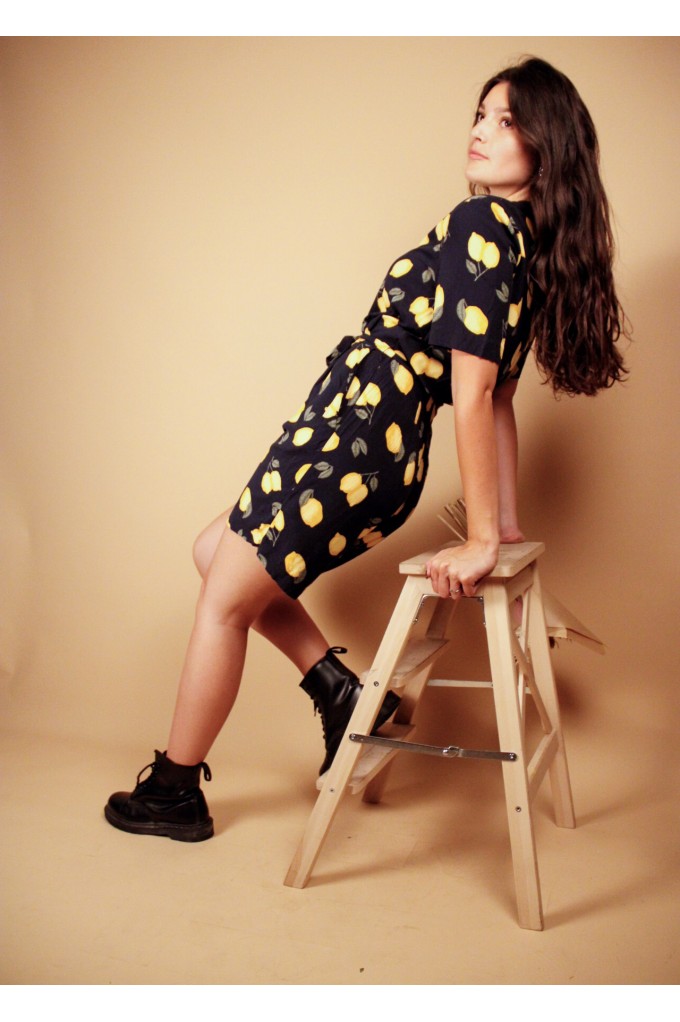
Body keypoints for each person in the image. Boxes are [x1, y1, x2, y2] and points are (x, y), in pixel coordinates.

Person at [105, 56, 627, 842]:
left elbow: (478, 395)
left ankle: (176, 790)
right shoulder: (519, 246)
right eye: (480, 115)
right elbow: (500, 400)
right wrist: (507, 523)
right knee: (215, 552)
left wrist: (484, 540)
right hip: (362, 446)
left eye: (507, 121)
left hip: (353, 444)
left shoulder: (481, 227)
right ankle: (338, 691)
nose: (481, 132)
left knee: (223, 603)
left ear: (545, 148)